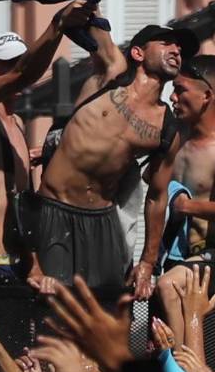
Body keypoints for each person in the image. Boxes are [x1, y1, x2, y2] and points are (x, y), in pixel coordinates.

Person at [34, 21, 195, 295]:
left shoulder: (167, 127)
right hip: (55, 212)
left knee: (109, 314)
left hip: (102, 223)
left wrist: (147, 262)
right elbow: (93, 11)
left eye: (180, 48)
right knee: (56, 314)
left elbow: (157, 196)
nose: (177, 50)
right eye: (166, 43)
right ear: (138, 53)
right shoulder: (109, 77)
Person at [0, 20, 88, 286]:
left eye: (22, 62)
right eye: (9, 64)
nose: (19, 71)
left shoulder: (18, 125)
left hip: (15, 267)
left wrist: (34, 266)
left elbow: (21, 206)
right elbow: (23, 77)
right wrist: (59, 25)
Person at [144, 54, 215, 343]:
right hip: (173, 258)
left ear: (206, 95)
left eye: (181, 89)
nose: (172, 96)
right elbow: (151, 191)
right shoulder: (175, 140)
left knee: (169, 287)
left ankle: (185, 370)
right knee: (154, 339)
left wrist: (188, 206)